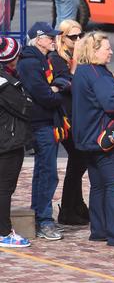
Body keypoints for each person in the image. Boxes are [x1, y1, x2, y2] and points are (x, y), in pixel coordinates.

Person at [72, 32, 114, 247]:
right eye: (106, 48)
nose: (111, 52)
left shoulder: (81, 71)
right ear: (94, 51)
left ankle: (99, 230)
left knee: (97, 186)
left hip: (86, 139)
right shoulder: (99, 75)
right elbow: (112, 105)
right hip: (104, 139)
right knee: (112, 186)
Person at [17, 22, 66, 241]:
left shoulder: (41, 59)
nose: (54, 40)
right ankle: (44, 220)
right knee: (47, 173)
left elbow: (54, 85)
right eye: (50, 37)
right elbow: (44, 95)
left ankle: (38, 215)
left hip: (46, 121)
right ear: (39, 40)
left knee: (43, 171)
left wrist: (55, 89)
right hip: (40, 123)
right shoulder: (30, 63)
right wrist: (57, 94)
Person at [49, 19, 89, 225]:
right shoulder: (57, 58)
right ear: (62, 38)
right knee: (78, 158)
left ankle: (76, 204)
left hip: (78, 115)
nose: (78, 39)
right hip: (64, 117)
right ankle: (67, 209)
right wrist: (75, 66)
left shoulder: (78, 56)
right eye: (73, 36)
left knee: (78, 160)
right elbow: (66, 85)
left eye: (81, 35)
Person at [0, 38, 32, 248]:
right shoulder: (5, 84)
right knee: (4, 188)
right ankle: (3, 232)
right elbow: (25, 109)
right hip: (7, 142)